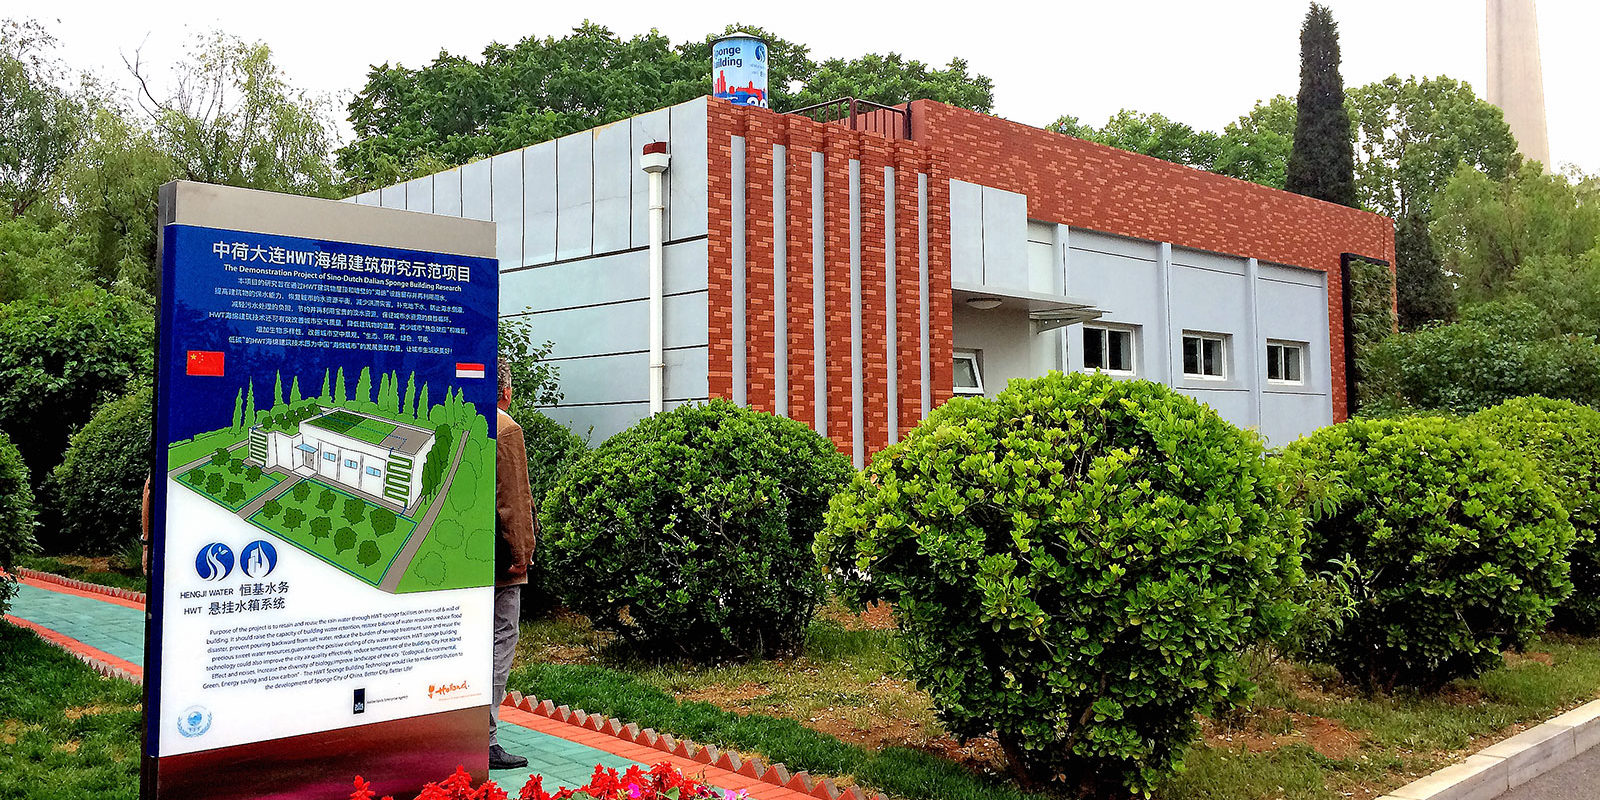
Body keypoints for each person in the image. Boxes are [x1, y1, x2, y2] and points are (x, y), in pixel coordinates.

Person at [490, 357, 537, 770]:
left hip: (466, 558)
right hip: (501, 561)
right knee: (502, 638)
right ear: (507, 391)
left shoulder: (466, 421)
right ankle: (485, 738)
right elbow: (515, 502)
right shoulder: (507, 429)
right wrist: (522, 556)